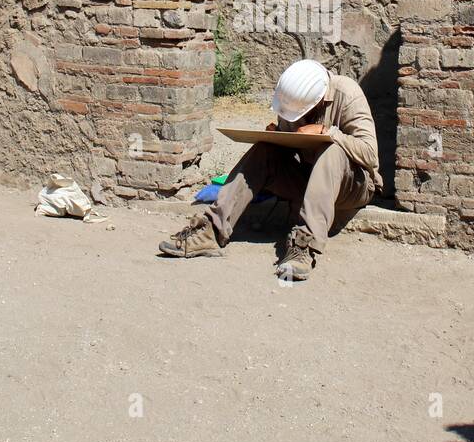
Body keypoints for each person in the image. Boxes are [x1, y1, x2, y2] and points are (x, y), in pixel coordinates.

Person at [158, 60, 381, 281]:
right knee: (264, 150)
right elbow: (292, 148)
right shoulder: (291, 100)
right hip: (307, 181)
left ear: (319, 100)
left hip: (352, 188)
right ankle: (212, 230)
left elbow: (370, 154)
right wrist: (278, 138)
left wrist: (327, 132)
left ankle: (304, 245)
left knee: (333, 151)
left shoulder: (347, 93)